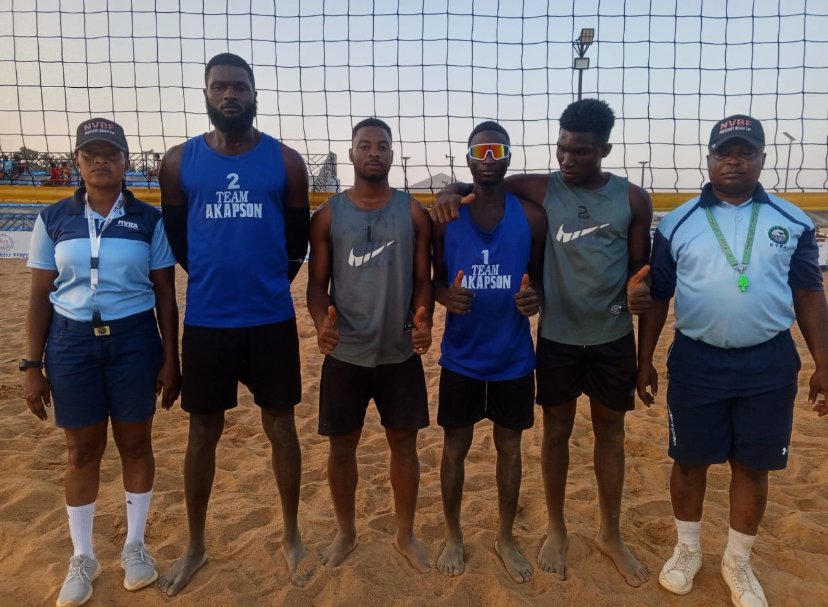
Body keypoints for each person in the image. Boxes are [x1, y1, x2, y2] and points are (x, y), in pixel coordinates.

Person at [431, 98, 653, 587]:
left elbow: (644, 274)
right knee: (553, 434)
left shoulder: (633, 199)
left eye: (580, 151)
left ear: (604, 150)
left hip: (612, 335)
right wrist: (451, 188)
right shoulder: (540, 189)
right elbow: (484, 182)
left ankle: (610, 533)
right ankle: (556, 529)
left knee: (610, 435)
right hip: (556, 338)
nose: (567, 159)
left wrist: (641, 298)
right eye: (561, 149)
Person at [636, 114, 828, 607]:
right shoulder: (677, 222)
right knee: (689, 461)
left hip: (769, 361)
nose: (735, 161)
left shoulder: (792, 221)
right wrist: (644, 359)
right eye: (725, 153)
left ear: (762, 159)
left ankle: (738, 560)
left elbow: (809, 294)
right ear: (709, 159)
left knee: (752, 465)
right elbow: (658, 295)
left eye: (746, 153)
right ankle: (688, 550)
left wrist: (824, 362)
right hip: (697, 359)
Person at [157, 52, 312, 594]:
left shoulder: (286, 161)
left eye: (239, 87)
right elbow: (181, 244)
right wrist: (216, 278)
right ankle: (196, 545)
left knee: (281, 426)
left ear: (254, 94)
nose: (230, 95)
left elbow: (297, 246)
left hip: (271, 319)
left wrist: (265, 282)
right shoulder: (178, 162)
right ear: (205, 94)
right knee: (202, 432)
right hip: (208, 321)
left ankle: (291, 535)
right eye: (219, 86)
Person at [23, 117, 180, 607]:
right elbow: (39, 296)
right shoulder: (54, 218)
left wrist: (171, 358)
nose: (101, 161)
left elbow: (166, 295)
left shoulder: (149, 220)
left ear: (126, 161)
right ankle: (83, 556)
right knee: (81, 452)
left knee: (135, 444)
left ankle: (135, 546)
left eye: (110, 154)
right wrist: (31, 365)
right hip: (70, 344)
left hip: (134, 341)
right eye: (91, 154)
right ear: (77, 162)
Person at [306, 117, 433, 572]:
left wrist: (425, 316)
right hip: (345, 352)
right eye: (365, 145)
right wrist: (320, 321)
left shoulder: (413, 212)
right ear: (352, 153)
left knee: (404, 447)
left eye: (382, 146)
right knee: (341, 448)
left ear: (392, 155)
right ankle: (346, 532)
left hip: (399, 351)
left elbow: (424, 279)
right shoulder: (328, 215)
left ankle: (404, 534)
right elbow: (316, 285)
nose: (374, 152)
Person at [433, 121, 547, 583]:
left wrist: (535, 297)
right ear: (467, 159)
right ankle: (453, 535)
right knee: (455, 447)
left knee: (510, 448)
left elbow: (541, 279)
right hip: (461, 356)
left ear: (508, 158)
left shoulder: (531, 217)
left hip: (512, 356)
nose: (487, 158)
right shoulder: (446, 216)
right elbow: (432, 279)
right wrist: (444, 296)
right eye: (479, 151)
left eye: (496, 150)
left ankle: (505, 537)